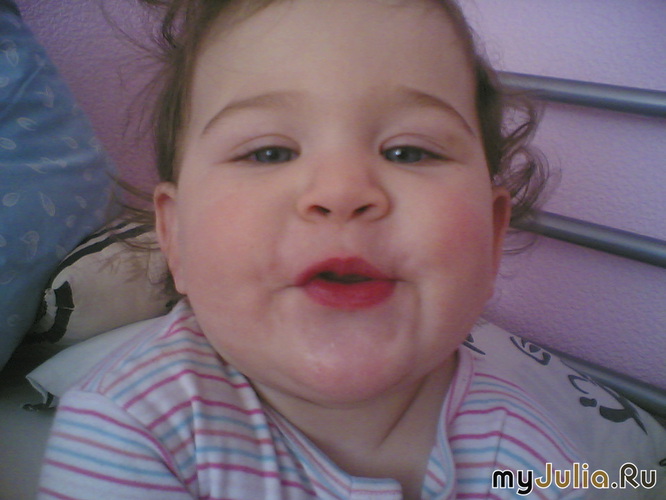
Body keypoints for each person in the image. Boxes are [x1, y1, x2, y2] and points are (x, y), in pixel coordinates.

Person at [38, 0, 666, 498]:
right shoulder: (130, 433)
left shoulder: (549, 461)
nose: (342, 191)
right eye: (269, 152)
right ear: (175, 237)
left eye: (408, 151)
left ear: (493, 233)